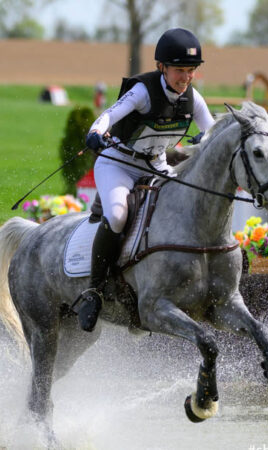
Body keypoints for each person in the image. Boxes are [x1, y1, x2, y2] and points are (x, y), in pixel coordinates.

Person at [72, 27, 215, 332]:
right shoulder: (142, 91)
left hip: (156, 167)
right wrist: (96, 133)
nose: (185, 78)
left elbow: (213, 133)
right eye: (179, 70)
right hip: (118, 164)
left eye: (191, 71)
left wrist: (210, 139)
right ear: (162, 67)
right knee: (119, 214)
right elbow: (110, 115)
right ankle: (93, 291)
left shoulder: (194, 99)